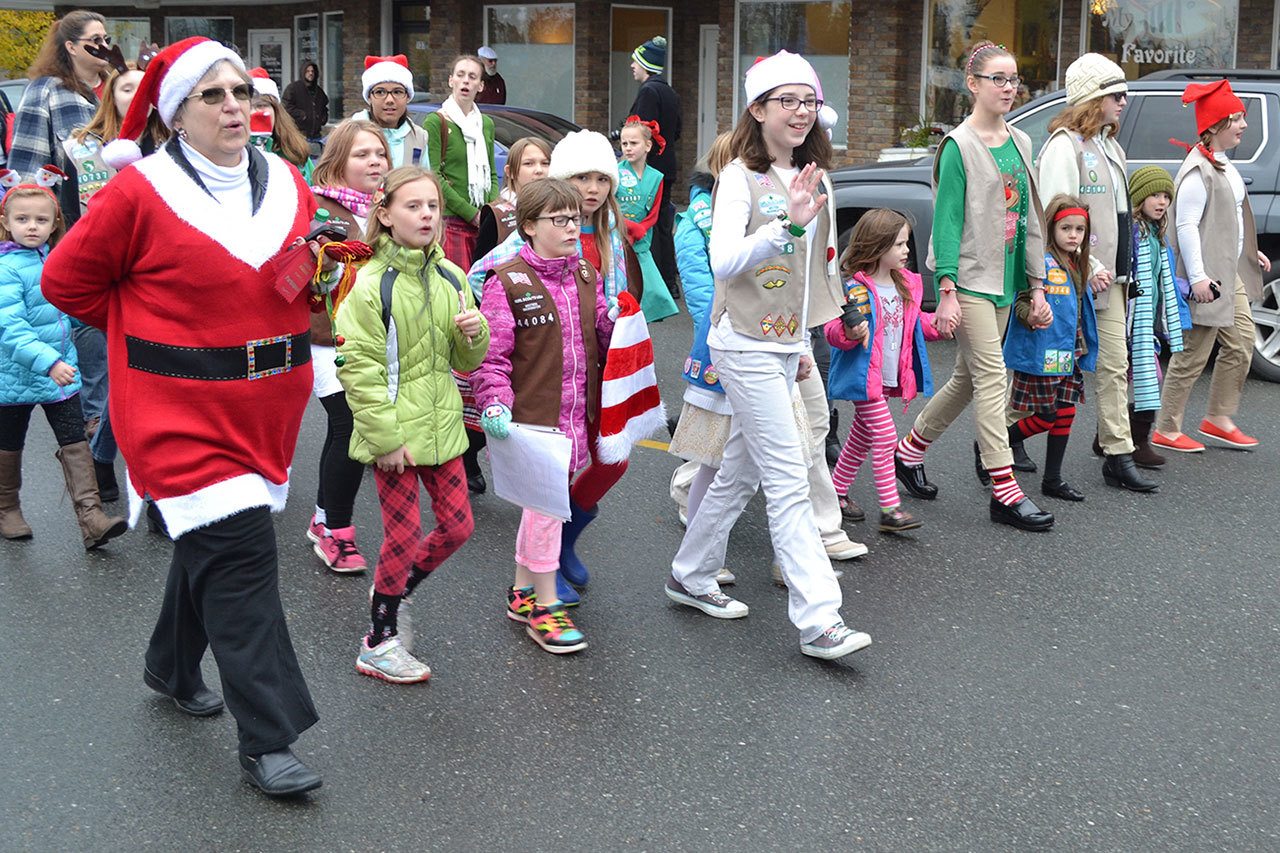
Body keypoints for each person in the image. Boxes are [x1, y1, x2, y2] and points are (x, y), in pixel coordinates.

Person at [45, 37, 325, 796]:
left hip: (268, 411)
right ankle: (270, 737)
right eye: (214, 95)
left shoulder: (289, 183)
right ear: (177, 114)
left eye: (244, 93)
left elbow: (290, 281)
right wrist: (140, 327)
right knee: (241, 555)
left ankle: (168, 664)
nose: (236, 106)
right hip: (175, 410)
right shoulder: (138, 192)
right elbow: (65, 282)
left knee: (213, 544)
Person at [663, 50, 871, 661]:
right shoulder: (737, 178)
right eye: (788, 101)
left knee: (743, 470)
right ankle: (819, 619)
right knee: (787, 477)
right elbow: (724, 262)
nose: (802, 113)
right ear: (758, 110)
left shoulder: (814, 177)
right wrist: (787, 226)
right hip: (742, 343)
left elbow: (810, 276)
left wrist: (802, 344)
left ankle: (690, 573)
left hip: (782, 345)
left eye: (808, 101)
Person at [467, 130, 635, 607]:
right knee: (544, 502)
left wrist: (617, 325)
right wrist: (496, 388)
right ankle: (541, 595)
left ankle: (548, 563)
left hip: (590, 384)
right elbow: (489, 304)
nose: (592, 188)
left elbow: (603, 309)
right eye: (583, 176)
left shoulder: (597, 250)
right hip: (538, 397)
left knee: (607, 462)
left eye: (602, 178)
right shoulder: (516, 270)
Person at [334, 166, 488, 683]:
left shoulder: (452, 276)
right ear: (385, 214)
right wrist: (385, 439)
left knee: (459, 526)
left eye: (432, 207)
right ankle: (379, 640)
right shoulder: (370, 284)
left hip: (443, 425)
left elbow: (466, 360)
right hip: (394, 435)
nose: (426, 215)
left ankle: (389, 594)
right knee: (403, 535)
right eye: (413, 206)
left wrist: (475, 330)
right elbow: (359, 368)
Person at [893, 41, 1055, 532]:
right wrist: (944, 289)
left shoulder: (1021, 143)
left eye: (1013, 80)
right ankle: (1004, 489)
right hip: (967, 282)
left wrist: (1037, 284)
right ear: (973, 84)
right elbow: (946, 223)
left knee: (967, 378)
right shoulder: (958, 147)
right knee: (991, 378)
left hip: (1006, 281)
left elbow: (1029, 219)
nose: (1009, 88)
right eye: (998, 79)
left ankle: (909, 449)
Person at [1035, 53, 1155, 492]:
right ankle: (1002, 439)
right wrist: (1095, 264)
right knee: (1048, 368)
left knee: (1113, 366)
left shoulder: (1110, 145)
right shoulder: (1064, 147)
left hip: (1111, 282)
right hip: (1074, 282)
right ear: (1092, 97)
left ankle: (1117, 453)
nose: (1123, 101)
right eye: (1115, 93)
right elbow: (1056, 216)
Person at [0, 168, 125, 547]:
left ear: (56, 223)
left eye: (41, 220)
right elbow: (10, 328)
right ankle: (7, 508)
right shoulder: (5, 268)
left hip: (61, 373)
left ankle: (92, 518)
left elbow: (73, 305)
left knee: (75, 442)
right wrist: (48, 362)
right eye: (22, 219)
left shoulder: (55, 259)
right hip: (16, 377)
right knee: (9, 444)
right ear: (5, 222)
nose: (32, 227)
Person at [63, 64, 169, 501]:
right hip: (105, 279)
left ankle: (146, 486)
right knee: (114, 383)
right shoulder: (84, 150)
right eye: (128, 87)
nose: (137, 93)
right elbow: (70, 215)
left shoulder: (171, 145)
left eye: (145, 87)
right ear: (112, 95)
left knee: (154, 383)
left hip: (154, 280)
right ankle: (103, 457)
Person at [1154, 80, 1271, 453]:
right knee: (1193, 353)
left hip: (1228, 271)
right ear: (1217, 124)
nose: (1244, 125)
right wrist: (1199, 277)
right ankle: (1166, 428)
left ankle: (1218, 418)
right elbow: (1185, 226)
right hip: (1208, 278)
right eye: (1237, 119)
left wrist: (1249, 254)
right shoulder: (1196, 171)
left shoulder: (1223, 164)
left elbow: (1231, 217)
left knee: (1240, 345)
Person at [305, 119, 392, 572]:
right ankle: (333, 529)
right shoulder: (321, 209)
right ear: (338, 161)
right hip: (326, 336)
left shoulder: (385, 208)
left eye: (379, 153)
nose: (375, 161)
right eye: (362, 154)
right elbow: (310, 278)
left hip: (373, 335)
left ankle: (323, 516)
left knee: (352, 429)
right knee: (350, 424)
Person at [825, 209, 943, 533]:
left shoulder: (904, 284)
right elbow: (833, 330)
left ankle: (835, 493)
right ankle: (890, 509)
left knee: (861, 439)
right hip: (862, 378)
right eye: (900, 245)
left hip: (885, 376)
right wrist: (849, 334)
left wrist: (938, 326)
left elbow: (914, 323)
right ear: (878, 247)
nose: (907, 251)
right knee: (887, 436)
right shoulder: (855, 288)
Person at [462, 135, 552, 495]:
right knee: (495, 395)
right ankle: (467, 454)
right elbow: (481, 273)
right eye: (530, 163)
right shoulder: (499, 214)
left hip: (539, 316)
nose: (539, 170)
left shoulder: (556, 208)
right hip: (504, 315)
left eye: (544, 162)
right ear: (512, 172)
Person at [1000, 195, 1099, 502]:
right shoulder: (1040, 261)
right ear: (1050, 228)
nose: (1073, 235)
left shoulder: (1076, 262)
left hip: (1068, 350)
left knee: (1066, 413)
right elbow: (1021, 303)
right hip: (1043, 350)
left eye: (1079, 230)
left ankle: (1052, 480)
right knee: (1045, 417)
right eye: (1066, 228)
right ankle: (997, 444)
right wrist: (1030, 315)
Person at [10, 10, 110, 226]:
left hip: (124, 215)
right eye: (95, 40)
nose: (105, 46)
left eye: (106, 39)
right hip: (72, 223)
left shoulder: (120, 89)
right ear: (71, 47)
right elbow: (28, 166)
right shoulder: (44, 91)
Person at [1125, 166, 1187, 468]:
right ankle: (1136, 443)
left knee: (1132, 381)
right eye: (1154, 195)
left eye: (1165, 196)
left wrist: (1187, 289)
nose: (1161, 202)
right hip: (1131, 322)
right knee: (1147, 380)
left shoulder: (1157, 236)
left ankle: (1109, 436)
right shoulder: (1134, 234)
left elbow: (1167, 279)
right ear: (1139, 198)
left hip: (1147, 324)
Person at [424, 54, 498, 270]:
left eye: (473, 76)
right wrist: (470, 213)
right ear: (451, 81)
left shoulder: (486, 124)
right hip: (452, 223)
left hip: (484, 224)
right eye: (461, 75)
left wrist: (488, 212)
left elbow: (492, 173)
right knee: (457, 291)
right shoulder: (435, 122)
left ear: (481, 85)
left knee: (482, 290)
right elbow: (434, 176)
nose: (466, 81)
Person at [626, 35, 682, 299]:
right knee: (662, 225)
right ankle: (669, 281)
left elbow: (642, 129)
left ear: (646, 64)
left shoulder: (649, 91)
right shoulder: (669, 90)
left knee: (648, 224)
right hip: (667, 165)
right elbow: (678, 131)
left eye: (635, 61)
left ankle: (656, 283)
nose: (632, 66)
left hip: (649, 170)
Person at [617, 116, 678, 322]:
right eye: (624, 143)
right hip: (619, 236)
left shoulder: (657, 177)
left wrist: (643, 227)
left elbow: (654, 211)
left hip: (642, 241)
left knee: (649, 289)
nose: (628, 148)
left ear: (648, 145)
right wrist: (629, 226)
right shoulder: (616, 173)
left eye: (633, 143)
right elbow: (609, 206)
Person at [353, 54, 429, 170]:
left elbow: (424, 181)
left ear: (408, 97)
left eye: (397, 92)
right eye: (380, 92)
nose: (389, 100)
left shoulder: (419, 137)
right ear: (369, 97)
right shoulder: (350, 134)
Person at [248, 69, 315, 184]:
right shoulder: (230, 156)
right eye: (247, 107)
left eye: (261, 105)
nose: (254, 113)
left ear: (276, 111)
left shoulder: (295, 151)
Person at [281, 60, 329, 140]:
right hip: (299, 135)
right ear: (303, 72)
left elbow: (324, 107)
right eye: (307, 71)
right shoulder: (293, 89)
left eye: (312, 71)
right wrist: (302, 115)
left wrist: (323, 118)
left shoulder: (319, 92)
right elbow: (286, 107)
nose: (310, 73)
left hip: (316, 136)